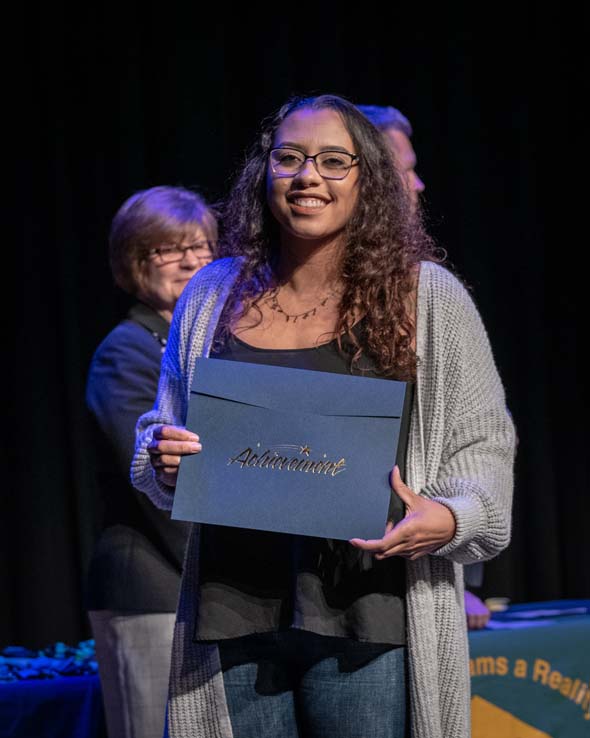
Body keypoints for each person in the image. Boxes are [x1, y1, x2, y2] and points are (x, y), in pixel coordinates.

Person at [131, 94, 515, 738]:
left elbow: (482, 449)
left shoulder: (429, 298)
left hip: (373, 615)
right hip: (234, 610)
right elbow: (162, 430)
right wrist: (164, 458)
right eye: (290, 157)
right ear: (266, 172)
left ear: (368, 180)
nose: (309, 176)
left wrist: (450, 518)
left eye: (335, 161)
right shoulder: (211, 293)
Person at [85, 185, 217, 738]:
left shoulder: (201, 346)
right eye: (168, 248)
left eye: (202, 247)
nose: (190, 260)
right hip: (153, 592)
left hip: (200, 593)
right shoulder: (128, 350)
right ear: (136, 262)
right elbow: (153, 482)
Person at [358, 102, 492, 629]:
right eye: (403, 171)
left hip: (408, 579)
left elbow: (467, 440)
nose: (417, 186)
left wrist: (456, 578)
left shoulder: (430, 291)